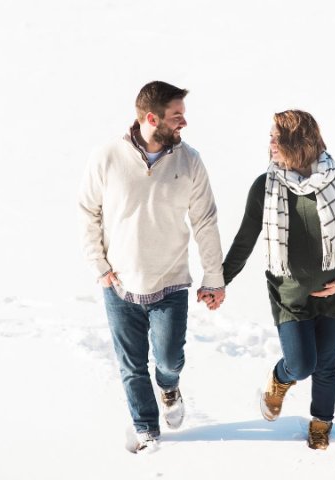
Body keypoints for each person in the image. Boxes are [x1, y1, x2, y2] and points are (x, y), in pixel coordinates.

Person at [78, 81, 225, 453]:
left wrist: (214, 278)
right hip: (120, 283)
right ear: (150, 118)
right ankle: (147, 431)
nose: (184, 123)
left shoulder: (189, 160)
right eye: (177, 116)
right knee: (131, 365)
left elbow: (205, 220)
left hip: (171, 280)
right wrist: (100, 265)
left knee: (169, 358)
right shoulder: (107, 157)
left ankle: (170, 385)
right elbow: (88, 212)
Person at [220, 110, 335, 450]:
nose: (270, 143)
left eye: (277, 137)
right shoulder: (266, 186)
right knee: (302, 363)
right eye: (270, 137)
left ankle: (321, 424)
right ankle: (280, 379)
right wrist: (220, 280)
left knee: (326, 364)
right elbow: (246, 238)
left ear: (298, 142)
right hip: (289, 293)